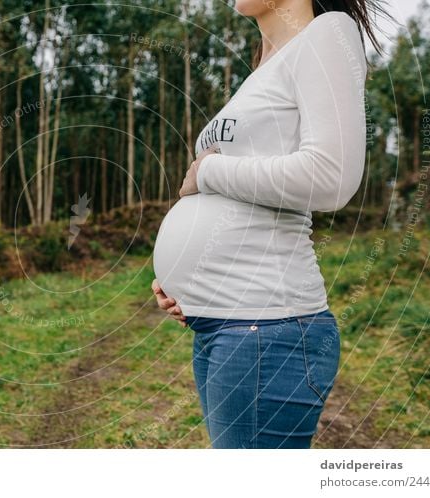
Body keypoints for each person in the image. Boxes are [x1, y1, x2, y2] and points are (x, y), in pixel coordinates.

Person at [151, 0, 390, 448]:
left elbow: (331, 177)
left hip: (268, 333)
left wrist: (207, 172)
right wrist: (193, 286)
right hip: (227, 327)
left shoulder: (327, 33)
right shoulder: (262, 71)